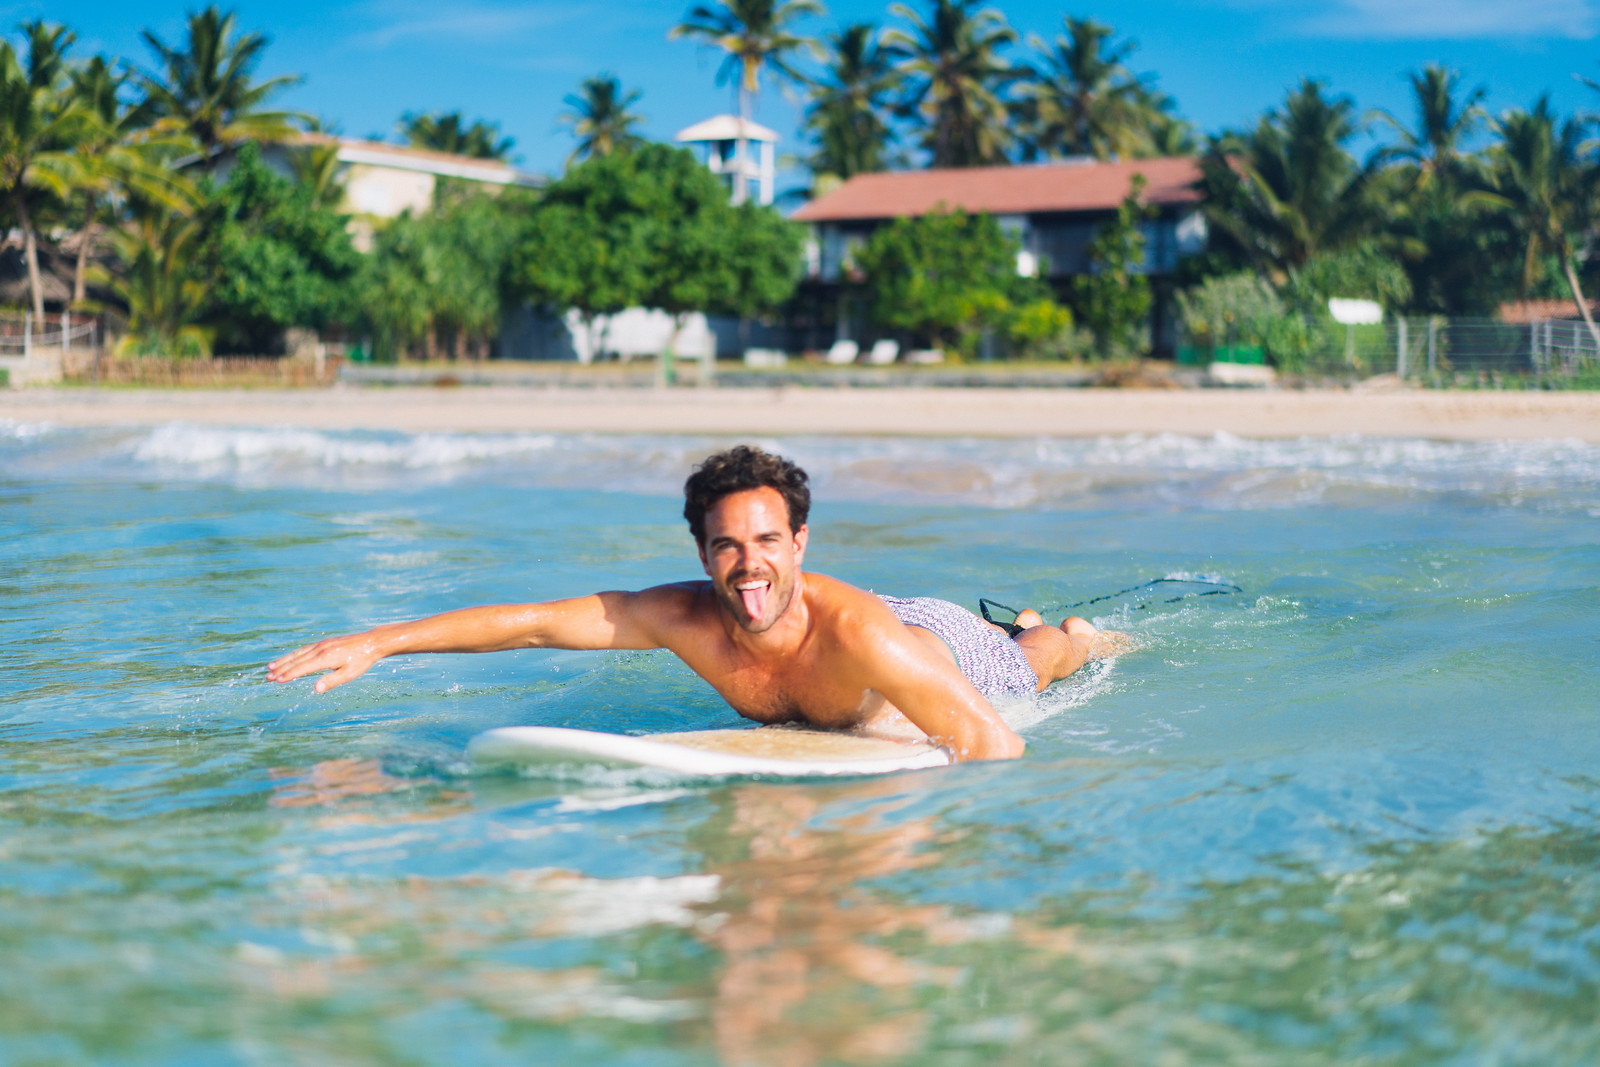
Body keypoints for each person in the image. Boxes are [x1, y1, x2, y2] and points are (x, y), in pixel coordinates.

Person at [267, 446, 1123, 762]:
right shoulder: (682, 615)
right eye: (726, 545)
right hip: (867, 648)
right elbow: (532, 621)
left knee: (1029, 664)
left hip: (928, 639)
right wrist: (380, 640)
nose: (747, 566)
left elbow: (997, 746)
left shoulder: (862, 634)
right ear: (704, 551)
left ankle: (1072, 633)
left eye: (766, 542)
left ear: (800, 543)